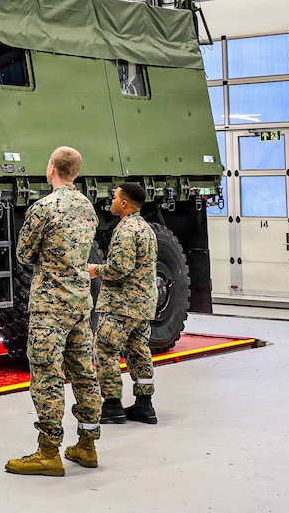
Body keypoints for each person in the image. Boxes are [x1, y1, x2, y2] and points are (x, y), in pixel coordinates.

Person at [5, 146, 102, 477]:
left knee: (47, 375)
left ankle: (49, 453)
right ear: (76, 172)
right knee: (83, 373)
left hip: (50, 307)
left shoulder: (43, 208)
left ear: (51, 170)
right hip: (80, 304)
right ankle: (87, 445)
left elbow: (23, 254)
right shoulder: (87, 208)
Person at [89, 181, 159, 425]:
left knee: (106, 350)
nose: (112, 201)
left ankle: (111, 405)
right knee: (139, 351)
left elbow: (120, 268)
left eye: (115, 197)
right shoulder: (146, 228)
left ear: (125, 203)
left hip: (121, 305)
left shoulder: (126, 230)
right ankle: (144, 404)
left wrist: (94, 269)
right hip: (142, 305)